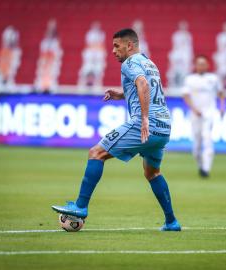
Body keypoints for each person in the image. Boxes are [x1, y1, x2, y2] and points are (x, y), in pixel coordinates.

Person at [52, 28, 181, 231]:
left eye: (116, 45)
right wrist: (121, 94)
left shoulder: (130, 63)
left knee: (96, 153)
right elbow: (145, 87)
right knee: (152, 172)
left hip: (145, 124)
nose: (113, 51)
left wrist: (145, 119)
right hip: (164, 127)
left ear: (129, 45)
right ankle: (171, 222)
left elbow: (143, 85)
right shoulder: (149, 62)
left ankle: (81, 206)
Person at [182, 55, 225, 178]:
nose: (201, 66)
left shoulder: (213, 78)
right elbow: (186, 96)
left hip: (209, 113)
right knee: (196, 145)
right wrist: (194, 109)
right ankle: (201, 166)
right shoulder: (190, 79)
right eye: (198, 64)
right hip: (195, 115)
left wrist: (222, 107)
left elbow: (221, 93)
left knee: (207, 138)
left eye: (203, 64)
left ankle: (206, 168)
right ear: (195, 65)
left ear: (207, 65)